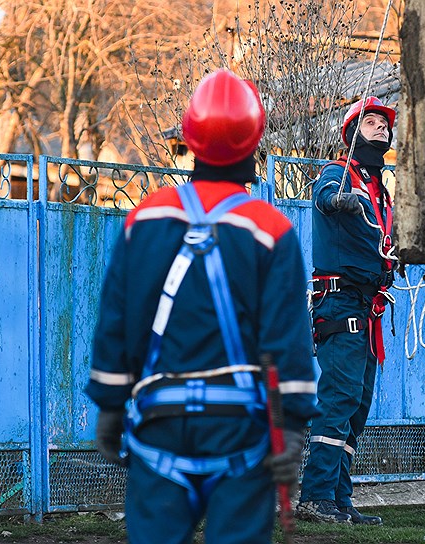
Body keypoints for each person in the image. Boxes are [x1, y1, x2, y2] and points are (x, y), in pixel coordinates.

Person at [85, 69, 318, 544]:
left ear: (188, 139)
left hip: (158, 428)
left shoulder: (144, 220)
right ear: (255, 141)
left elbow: (115, 322)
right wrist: (292, 426)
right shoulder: (271, 231)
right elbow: (286, 341)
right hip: (242, 435)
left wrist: (110, 407)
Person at [297, 97, 396, 526]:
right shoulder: (339, 175)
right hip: (339, 304)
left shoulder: (381, 192)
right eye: (370, 123)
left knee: (357, 406)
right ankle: (315, 496)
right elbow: (321, 195)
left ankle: (339, 498)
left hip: (367, 308)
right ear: (353, 133)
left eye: (383, 124)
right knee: (338, 400)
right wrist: (339, 201)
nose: (380, 129)